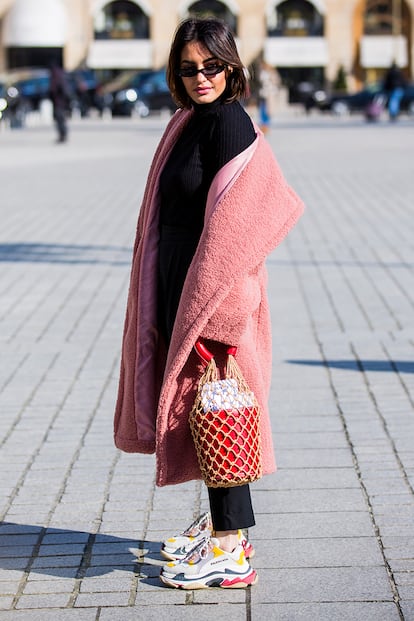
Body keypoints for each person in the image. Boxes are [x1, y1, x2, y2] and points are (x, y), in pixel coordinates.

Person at [113, 17, 304, 589]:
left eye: (212, 66)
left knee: (220, 408)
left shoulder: (228, 122)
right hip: (178, 282)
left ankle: (231, 548)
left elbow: (243, 228)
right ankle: (227, 530)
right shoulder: (186, 121)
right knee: (205, 412)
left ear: (231, 65)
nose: (201, 77)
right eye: (189, 68)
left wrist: (219, 315)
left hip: (213, 294)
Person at [49, 62, 72, 142]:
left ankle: (62, 135)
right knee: (60, 119)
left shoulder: (57, 77)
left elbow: (56, 89)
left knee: (60, 119)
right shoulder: (60, 76)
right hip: (60, 102)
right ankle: (62, 135)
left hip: (59, 102)